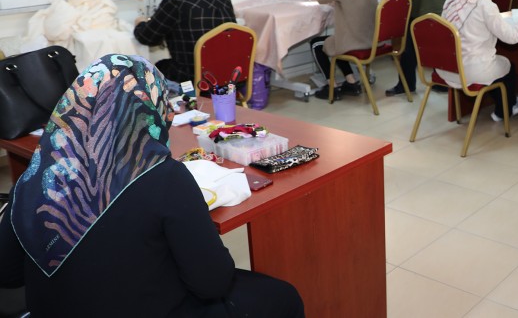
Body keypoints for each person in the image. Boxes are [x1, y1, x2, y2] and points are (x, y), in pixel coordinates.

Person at [0, 54, 304, 317]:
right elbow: (213, 283)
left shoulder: (37, 175)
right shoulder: (162, 177)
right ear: (149, 109)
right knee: (282, 297)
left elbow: (8, 273)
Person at [135, 0, 236, 86]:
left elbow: (147, 38)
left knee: (156, 67)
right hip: (225, 74)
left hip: (190, 76)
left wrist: (140, 23)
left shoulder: (175, 2)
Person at [308, 0, 379, 100]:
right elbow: (355, 1)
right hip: (370, 40)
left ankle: (332, 87)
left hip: (353, 42)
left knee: (316, 44)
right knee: (336, 41)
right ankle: (351, 81)